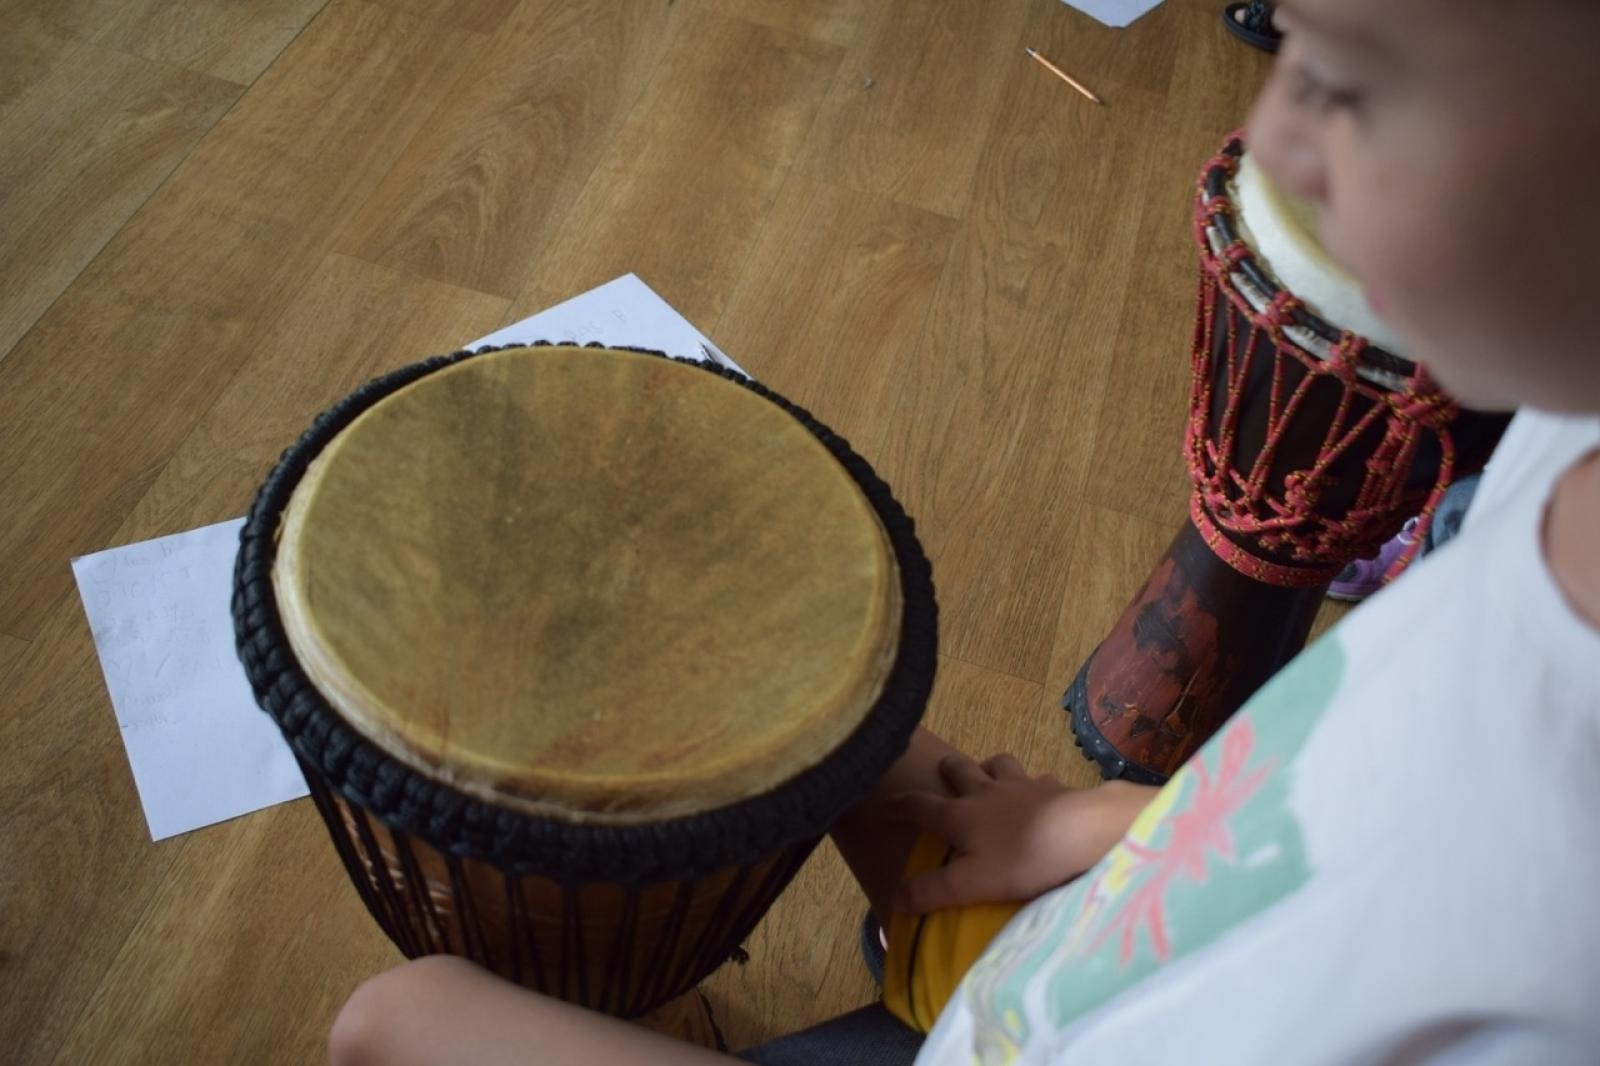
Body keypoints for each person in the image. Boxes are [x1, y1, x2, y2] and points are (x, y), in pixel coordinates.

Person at [325, 0, 1600, 1061]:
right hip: (1087, 937)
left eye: (1347, 82)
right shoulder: (1564, 427)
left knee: (393, 1021)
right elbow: (1325, 789)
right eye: (1289, 46)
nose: (1269, 138)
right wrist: (1092, 826)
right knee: (811, 684)